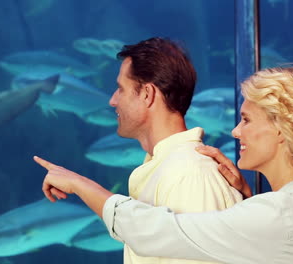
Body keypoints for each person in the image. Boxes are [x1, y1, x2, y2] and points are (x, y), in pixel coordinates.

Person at [35, 66, 293, 263]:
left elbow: (160, 231)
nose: (235, 131)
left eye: (246, 119)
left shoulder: (283, 216)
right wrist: (245, 198)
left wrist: (79, 184)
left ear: (284, 128)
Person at [38, 37, 242, 264]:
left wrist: (80, 184)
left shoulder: (191, 172)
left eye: (120, 89)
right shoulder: (166, 167)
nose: (113, 101)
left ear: (147, 94)